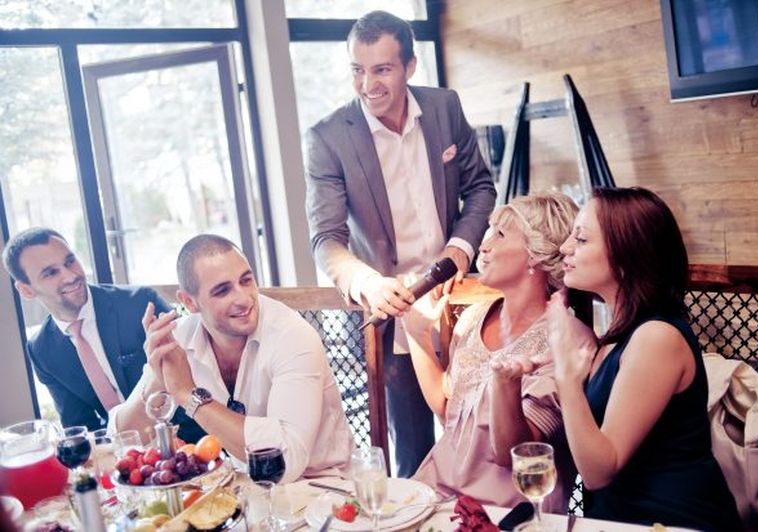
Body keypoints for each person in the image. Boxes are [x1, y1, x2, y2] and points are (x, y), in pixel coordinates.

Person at [305, 10, 497, 477]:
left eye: (382, 69)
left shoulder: (445, 107)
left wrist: (459, 248)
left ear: (410, 66)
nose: (367, 84)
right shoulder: (328, 138)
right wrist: (365, 282)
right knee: (412, 452)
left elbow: (480, 188)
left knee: (481, 435)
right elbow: (326, 239)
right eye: (357, 70)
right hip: (392, 317)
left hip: (461, 299)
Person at [546, 187, 742, 530]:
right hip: (617, 522)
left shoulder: (657, 338)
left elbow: (599, 472)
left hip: (673, 522)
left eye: (581, 239)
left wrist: (567, 378)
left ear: (627, 257)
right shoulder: (615, 338)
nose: (565, 248)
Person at [110, 234, 354, 481]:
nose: (244, 299)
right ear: (189, 302)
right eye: (223, 291)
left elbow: (283, 462)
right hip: (246, 487)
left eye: (246, 280)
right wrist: (158, 377)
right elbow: (122, 441)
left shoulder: (293, 335)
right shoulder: (179, 338)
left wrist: (188, 395)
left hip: (324, 486)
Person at [401, 193, 578, 510]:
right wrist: (417, 334)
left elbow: (515, 454)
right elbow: (449, 413)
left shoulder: (564, 340)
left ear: (535, 254)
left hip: (507, 509)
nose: (483, 246)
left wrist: (505, 382)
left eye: (500, 234)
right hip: (437, 493)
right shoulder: (473, 317)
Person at [1, 228, 172, 432]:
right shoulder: (41, 349)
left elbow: (194, 376)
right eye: (51, 273)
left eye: (69, 261)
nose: (70, 276)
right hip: (122, 447)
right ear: (26, 290)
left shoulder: (140, 303)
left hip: (185, 436)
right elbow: (81, 425)